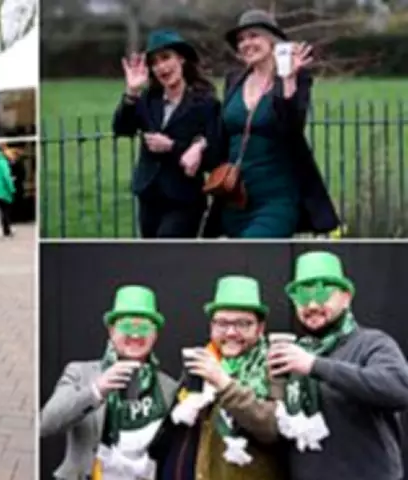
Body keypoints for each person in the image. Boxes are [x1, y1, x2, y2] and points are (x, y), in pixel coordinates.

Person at [267, 251, 408, 480]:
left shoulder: (372, 343)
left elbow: (399, 389)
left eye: (323, 294)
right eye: (302, 296)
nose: (312, 304)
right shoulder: (294, 352)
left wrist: (315, 365)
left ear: (346, 298)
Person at [204, 10, 339, 238]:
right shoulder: (234, 80)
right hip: (235, 197)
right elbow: (220, 131)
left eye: (253, 35)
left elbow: (291, 127)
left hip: (276, 199)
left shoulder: (296, 78)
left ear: (272, 40)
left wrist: (287, 81)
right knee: (239, 268)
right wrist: (199, 145)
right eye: (241, 40)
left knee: (254, 256)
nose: (246, 44)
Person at [149, 275, 288, 480]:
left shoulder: (276, 365)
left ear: (260, 328)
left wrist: (223, 383)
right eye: (222, 323)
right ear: (211, 326)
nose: (231, 332)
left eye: (242, 323)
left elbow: (272, 429)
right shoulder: (202, 363)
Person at [40, 285, 178, 480]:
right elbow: (46, 424)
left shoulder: (168, 388)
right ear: (112, 331)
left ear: (154, 335)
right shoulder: (81, 374)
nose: (136, 335)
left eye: (145, 327)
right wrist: (97, 389)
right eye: (127, 326)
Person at [113, 29, 220, 238]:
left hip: (183, 198)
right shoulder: (148, 99)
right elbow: (122, 129)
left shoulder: (206, 102)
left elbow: (215, 154)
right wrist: (132, 92)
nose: (161, 67)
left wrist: (172, 147)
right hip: (149, 194)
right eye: (154, 62)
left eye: (166, 58)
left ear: (181, 59)